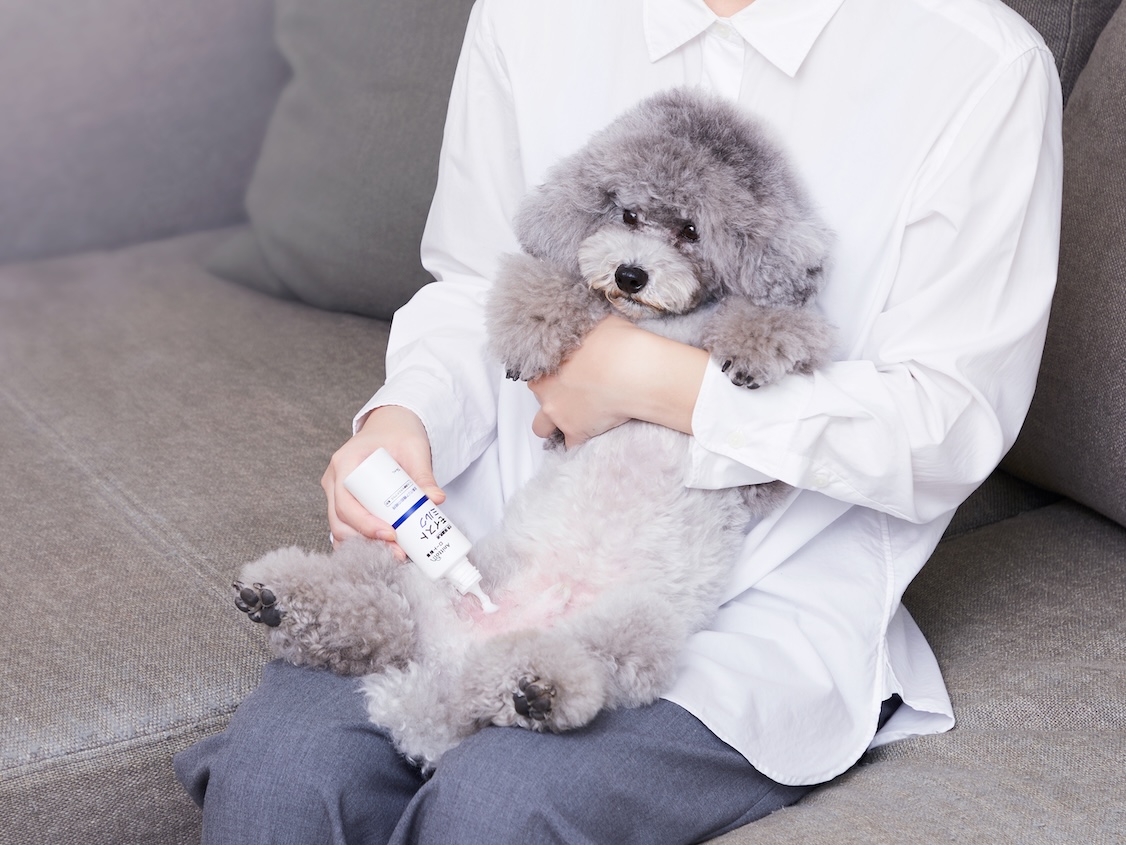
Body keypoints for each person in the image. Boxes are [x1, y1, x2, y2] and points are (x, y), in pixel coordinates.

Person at [175, 0, 1063, 841]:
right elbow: (471, 283)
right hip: (488, 547)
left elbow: (950, 421)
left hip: (738, 608)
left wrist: (654, 380)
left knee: (501, 809)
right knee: (281, 774)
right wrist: (405, 417)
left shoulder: (977, 67)